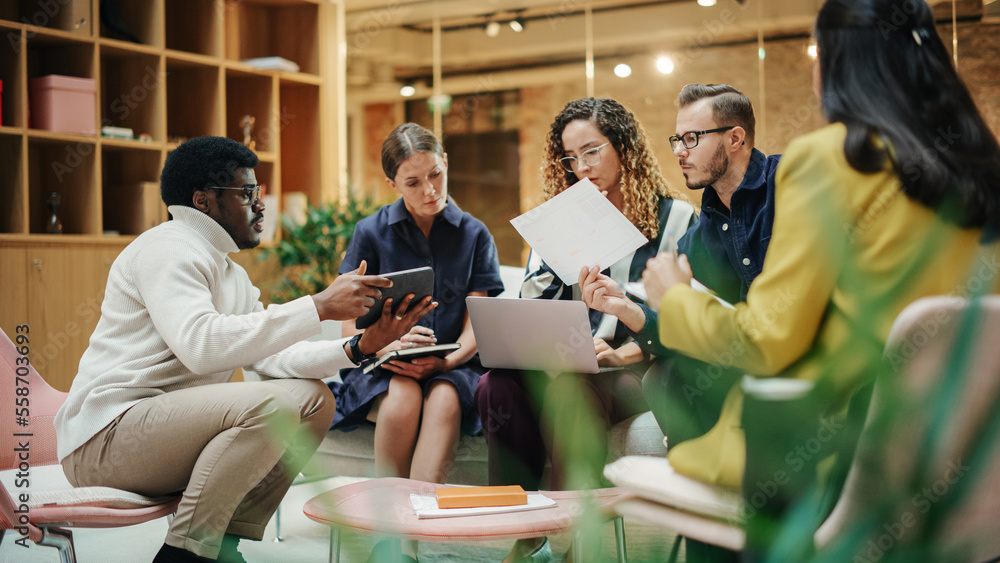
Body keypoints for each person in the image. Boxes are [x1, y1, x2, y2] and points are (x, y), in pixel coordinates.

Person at [639, 0, 1000, 527]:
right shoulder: (979, 166)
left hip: (835, 461)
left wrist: (673, 298)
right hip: (968, 458)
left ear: (838, 63)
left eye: (817, 51)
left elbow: (765, 341)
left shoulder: (828, 160)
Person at [53, 136, 433, 563]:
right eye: (248, 193)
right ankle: (186, 553)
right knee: (274, 405)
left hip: (157, 434)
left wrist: (362, 345)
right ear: (203, 201)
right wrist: (319, 306)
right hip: (106, 440)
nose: (260, 205)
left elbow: (275, 359)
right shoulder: (169, 248)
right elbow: (200, 346)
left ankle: (223, 543)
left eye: (259, 193)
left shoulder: (229, 272)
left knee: (313, 400)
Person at [475, 97, 695, 563]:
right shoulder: (561, 221)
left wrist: (620, 354)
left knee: (577, 387)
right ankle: (525, 528)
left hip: (629, 369)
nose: (582, 168)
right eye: (570, 159)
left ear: (625, 148)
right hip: (562, 360)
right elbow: (531, 309)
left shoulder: (677, 221)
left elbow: (685, 323)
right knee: (497, 386)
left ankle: (572, 538)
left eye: (592, 152)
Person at [328, 123, 504, 563]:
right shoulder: (371, 231)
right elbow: (348, 321)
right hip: (388, 361)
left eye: (437, 174)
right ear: (392, 184)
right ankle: (391, 536)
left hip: (454, 363)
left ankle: (415, 534)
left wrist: (446, 364)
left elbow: (478, 325)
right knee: (403, 398)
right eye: (413, 182)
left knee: (444, 401)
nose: (430, 190)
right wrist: (384, 348)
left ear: (445, 164)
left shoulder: (474, 233)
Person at [581, 84, 780, 449]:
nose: (678, 151)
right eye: (677, 139)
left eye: (691, 138)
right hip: (741, 359)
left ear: (735, 138)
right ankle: (698, 490)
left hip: (796, 349)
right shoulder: (699, 237)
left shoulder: (787, 186)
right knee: (665, 373)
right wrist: (625, 308)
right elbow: (675, 331)